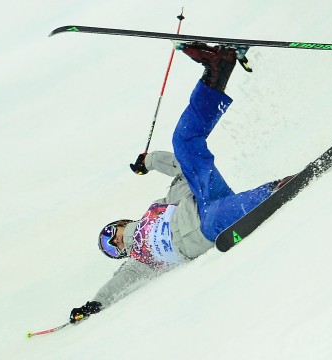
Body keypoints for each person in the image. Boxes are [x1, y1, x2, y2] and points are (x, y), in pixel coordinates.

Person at [69, 42, 292, 323]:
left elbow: (180, 169)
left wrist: (150, 160)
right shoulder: (140, 261)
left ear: (122, 222)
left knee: (184, 142)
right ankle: (278, 189)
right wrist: (94, 305)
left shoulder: (157, 209)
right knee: (223, 217)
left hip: (201, 193)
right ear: (120, 255)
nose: (114, 238)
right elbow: (117, 286)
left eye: (110, 232)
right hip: (204, 227)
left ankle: (217, 70)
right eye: (111, 246)